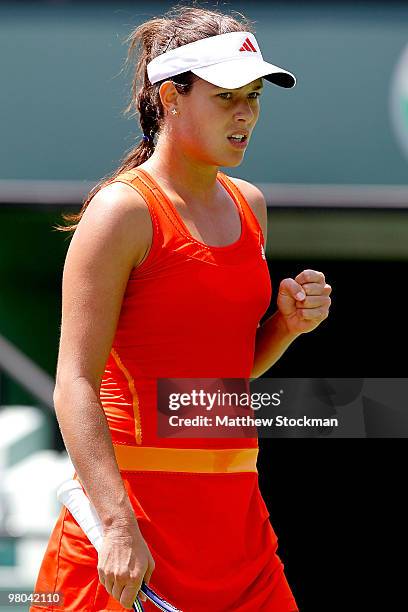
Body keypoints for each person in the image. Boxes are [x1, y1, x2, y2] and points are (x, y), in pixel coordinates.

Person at [30, 5, 332, 611]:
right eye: (226, 97)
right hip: (127, 541)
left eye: (253, 96)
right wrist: (116, 525)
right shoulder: (122, 213)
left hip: (237, 539)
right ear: (170, 97)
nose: (246, 112)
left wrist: (286, 326)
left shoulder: (251, 207)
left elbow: (217, 385)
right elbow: (74, 382)